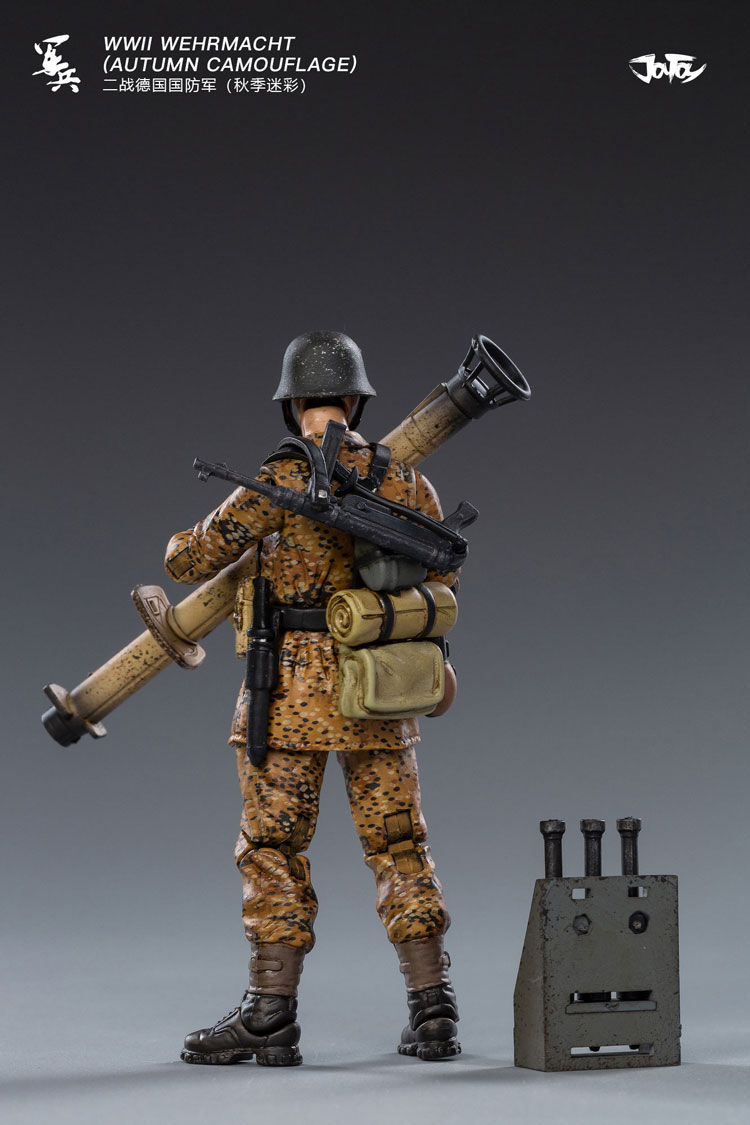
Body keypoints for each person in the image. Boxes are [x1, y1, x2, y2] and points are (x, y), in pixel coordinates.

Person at [165, 331, 461, 1067]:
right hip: (380, 688)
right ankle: (434, 1009)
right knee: (399, 844)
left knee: (272, 847)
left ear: (292, 402)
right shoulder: (406, 480)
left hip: (290, 693)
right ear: (356, 399)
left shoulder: (281, 476)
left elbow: (189, 560)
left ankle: (270, 1014)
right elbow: (441, 583)